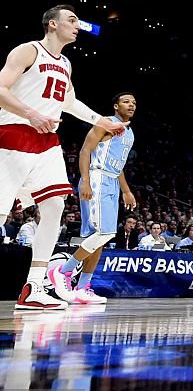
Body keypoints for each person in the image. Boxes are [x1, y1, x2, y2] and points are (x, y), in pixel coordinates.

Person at [0, 4, 127, 310]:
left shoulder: (66, 64)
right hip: (14, 132)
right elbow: (1, 88)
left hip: (47, 141)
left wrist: (101, 120)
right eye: (71, 20)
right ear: (52, 24)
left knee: (55, 205)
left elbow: (69, 102)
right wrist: (30, 113)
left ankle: (34, 286)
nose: (77, 25)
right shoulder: (27, 51)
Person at [51, 92, 137, 305]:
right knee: (105, 232)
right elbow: (85, 151)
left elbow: (119, 166)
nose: (131, 105)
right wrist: (86, 181)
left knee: (98, 238)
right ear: (116, 105)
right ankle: (63, 271)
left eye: (134, 102)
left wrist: (126, 191)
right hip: (97, 178)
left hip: (112, 181)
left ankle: (83, 287)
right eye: (126, 101)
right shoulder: (105, 123)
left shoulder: (129, 133)